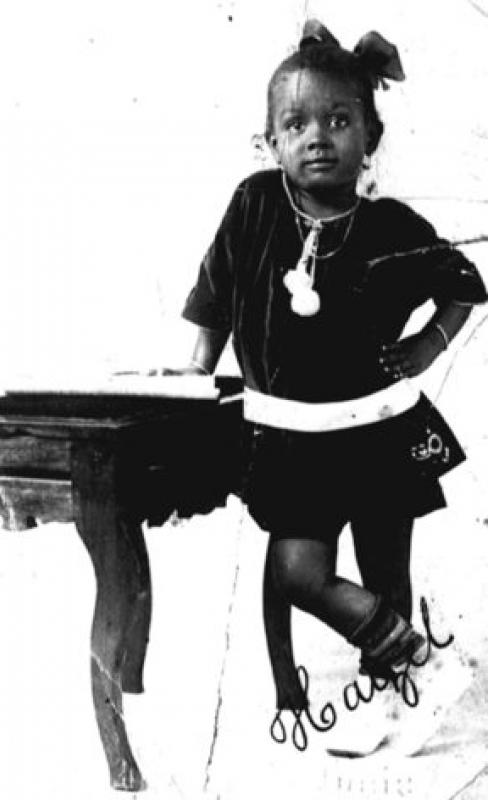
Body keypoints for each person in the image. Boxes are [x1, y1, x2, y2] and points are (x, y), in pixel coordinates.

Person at [179, 19, 487, 755]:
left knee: (386, 570)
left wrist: (425, 346)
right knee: (300, 570)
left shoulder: (389, 227)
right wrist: (192, 378)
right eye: (297, 123)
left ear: (369, 140)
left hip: (378, 428)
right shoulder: (253, 206)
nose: (319, 136)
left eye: (340, 121)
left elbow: (465, 286)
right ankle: (422, 658)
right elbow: (215, 298)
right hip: (292, 437)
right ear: (270, 143)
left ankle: (392, 699)